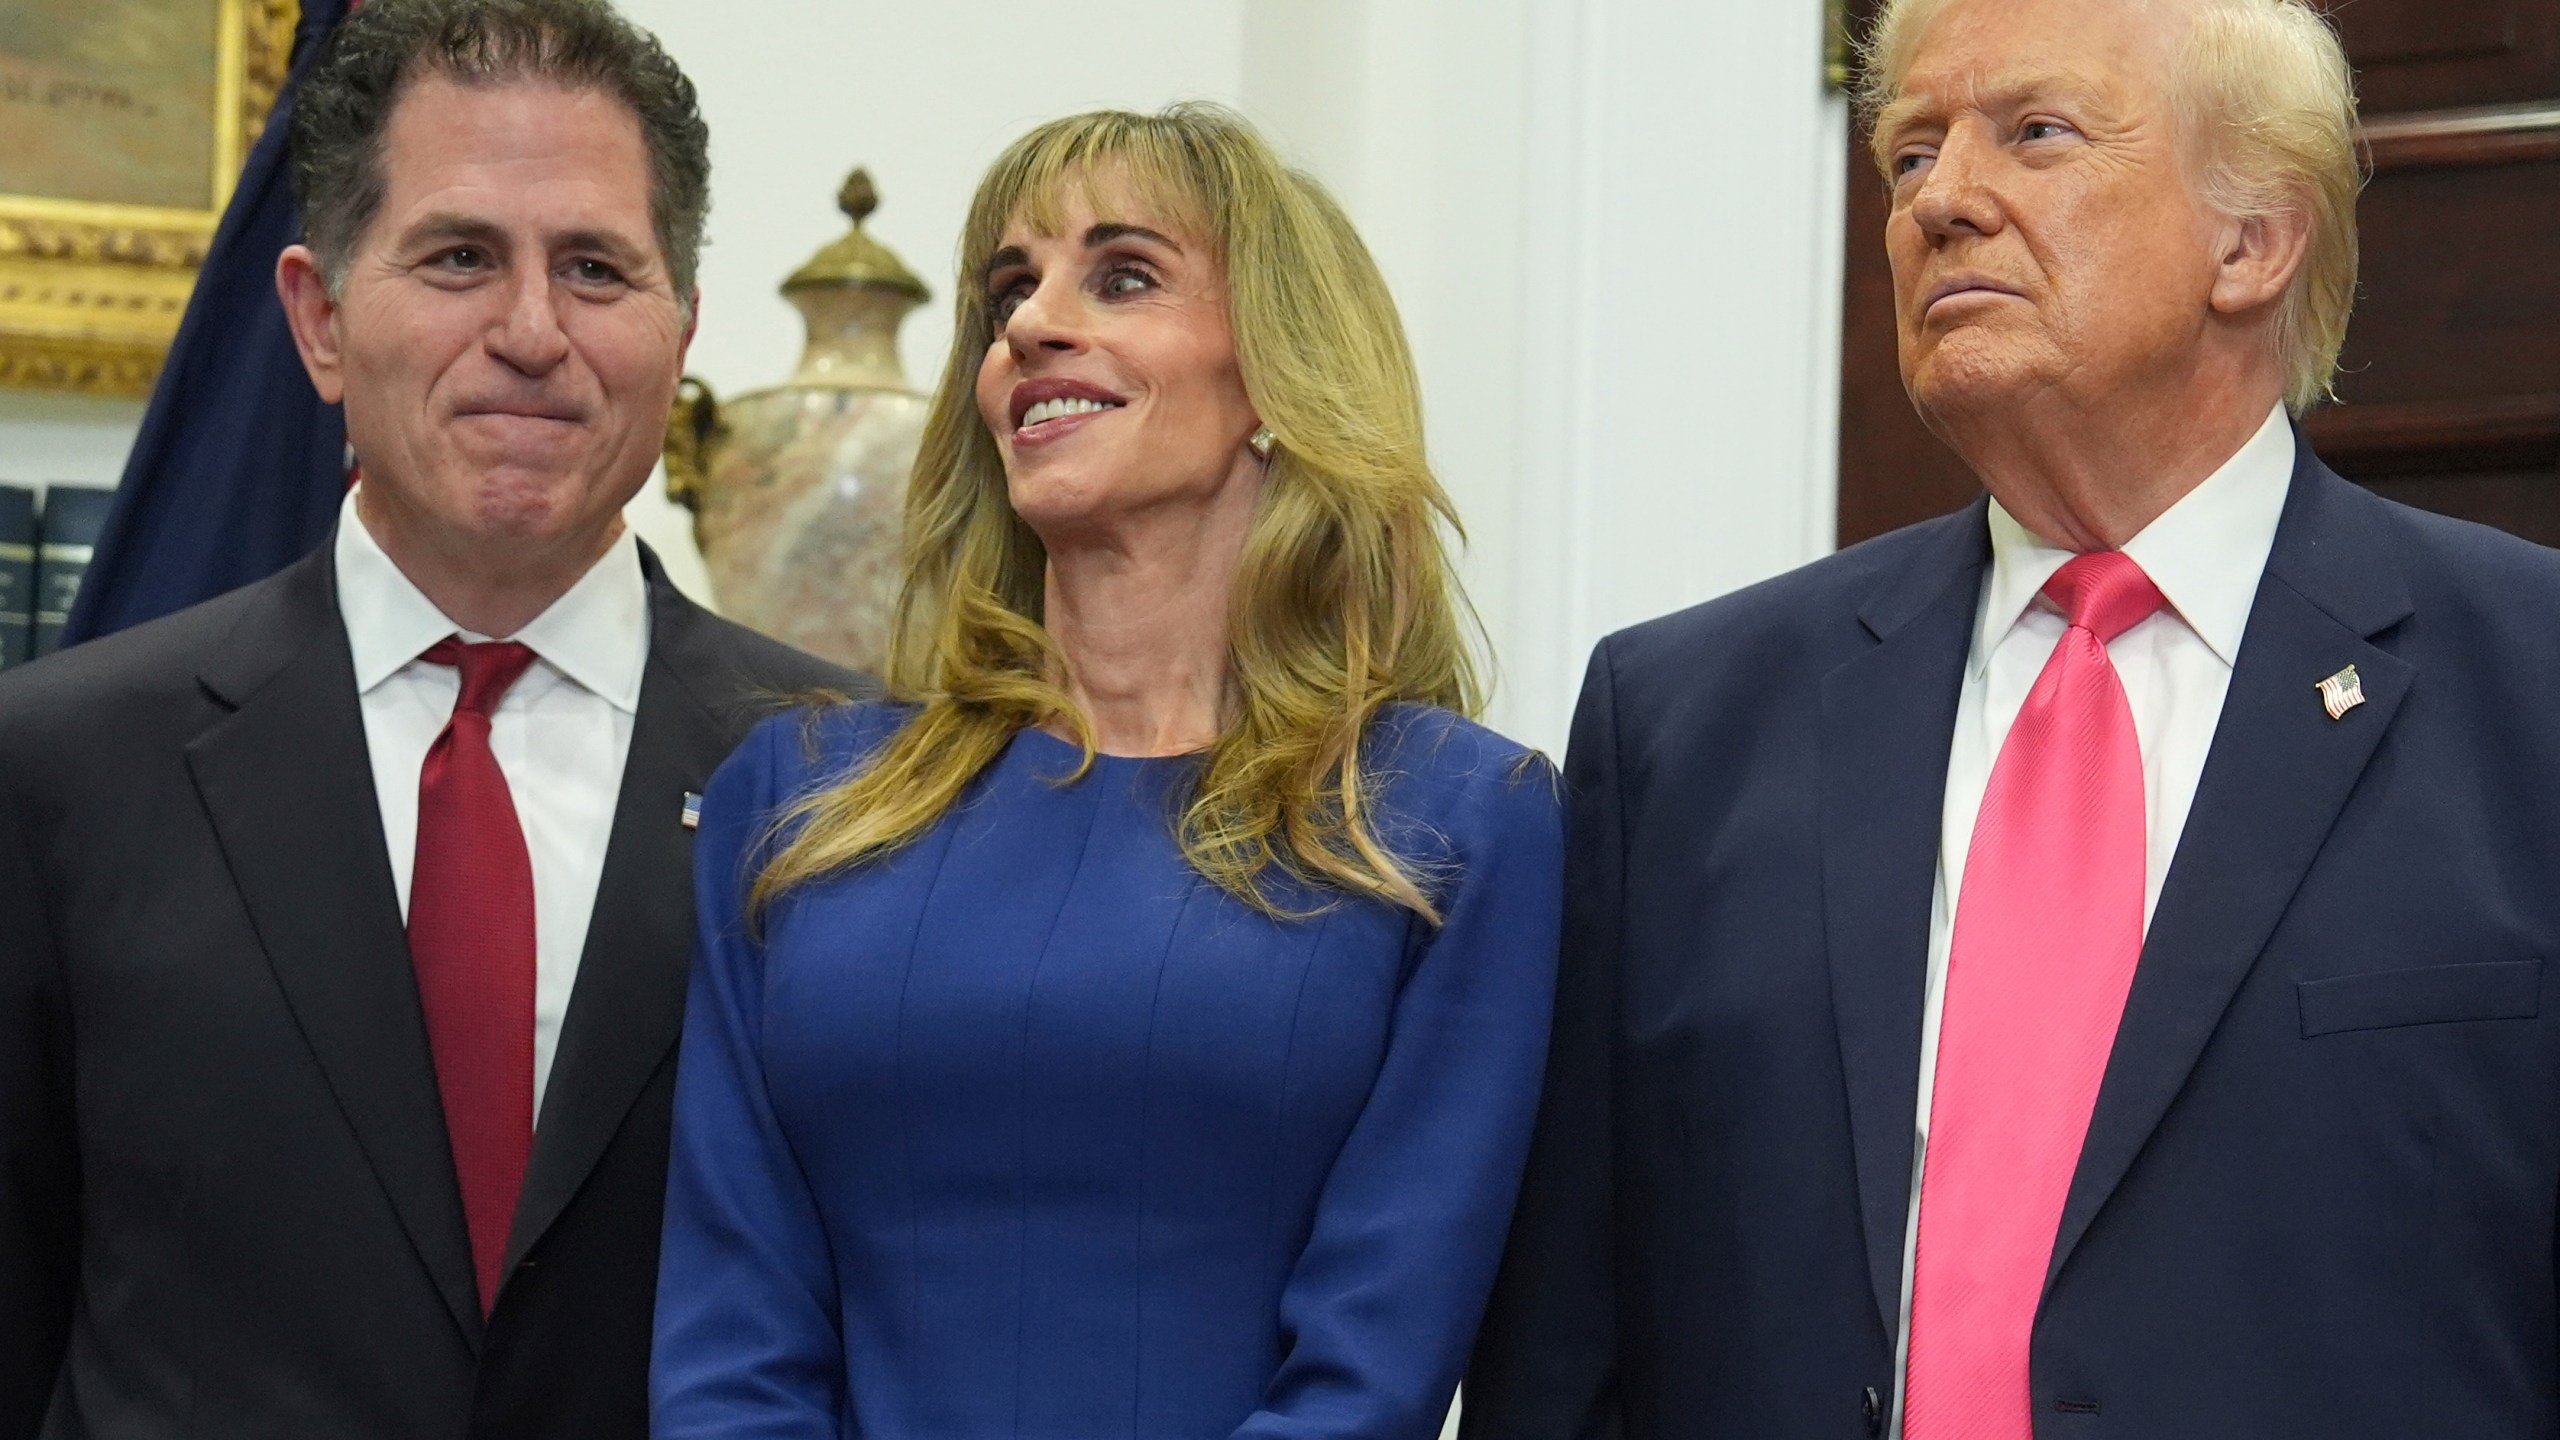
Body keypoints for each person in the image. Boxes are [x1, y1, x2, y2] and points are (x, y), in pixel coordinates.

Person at [1465, 0, 2560, 1436]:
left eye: (2032, 133)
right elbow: (1568, 1357)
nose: (1942, 201)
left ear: (2254, 240)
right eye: (1910, 153)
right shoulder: (1682, 728)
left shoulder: (2529, 685)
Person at [0, 1, 853, 1435]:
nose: (532, 333)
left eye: (596, 268)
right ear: (319, 320)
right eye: (460, 258)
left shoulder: (846, 780)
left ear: (681, 330)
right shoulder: (57, 769)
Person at [651, 102, 1564, 1440]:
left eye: (1121, 276)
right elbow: (731, 1342)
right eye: (1010, 289)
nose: (1029, 324)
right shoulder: (792, 802)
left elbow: (1371, 1372)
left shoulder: (1452, 823)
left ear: (1274, 379)